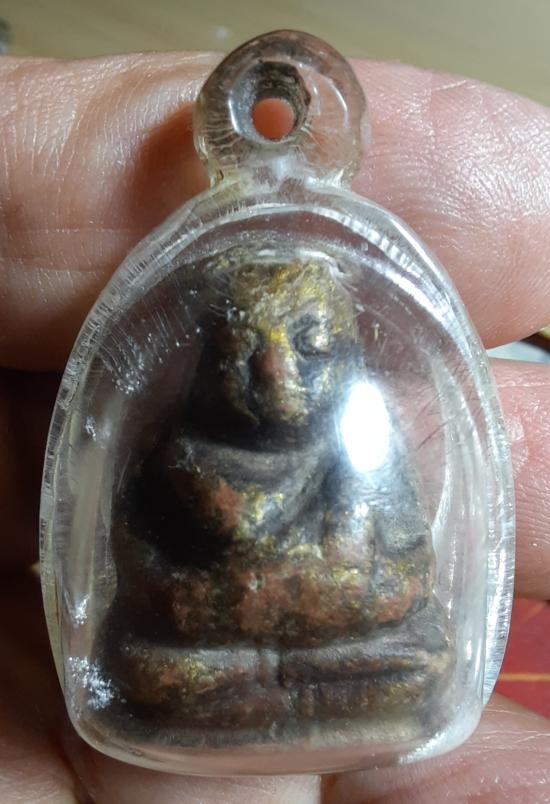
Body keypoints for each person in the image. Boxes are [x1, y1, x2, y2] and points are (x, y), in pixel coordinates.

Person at [1, 51, 549, 803]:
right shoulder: (176, 453)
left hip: (350, 649)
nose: (276, 378)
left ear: (349, 353)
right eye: (243, 353)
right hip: (203, 658)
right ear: (206, 362)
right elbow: (137, 573)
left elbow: (407, 579)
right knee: (148, 670)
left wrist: (307, 590)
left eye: (312, 350)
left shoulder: (365, 454)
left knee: (420, 662)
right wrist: (225, 591)